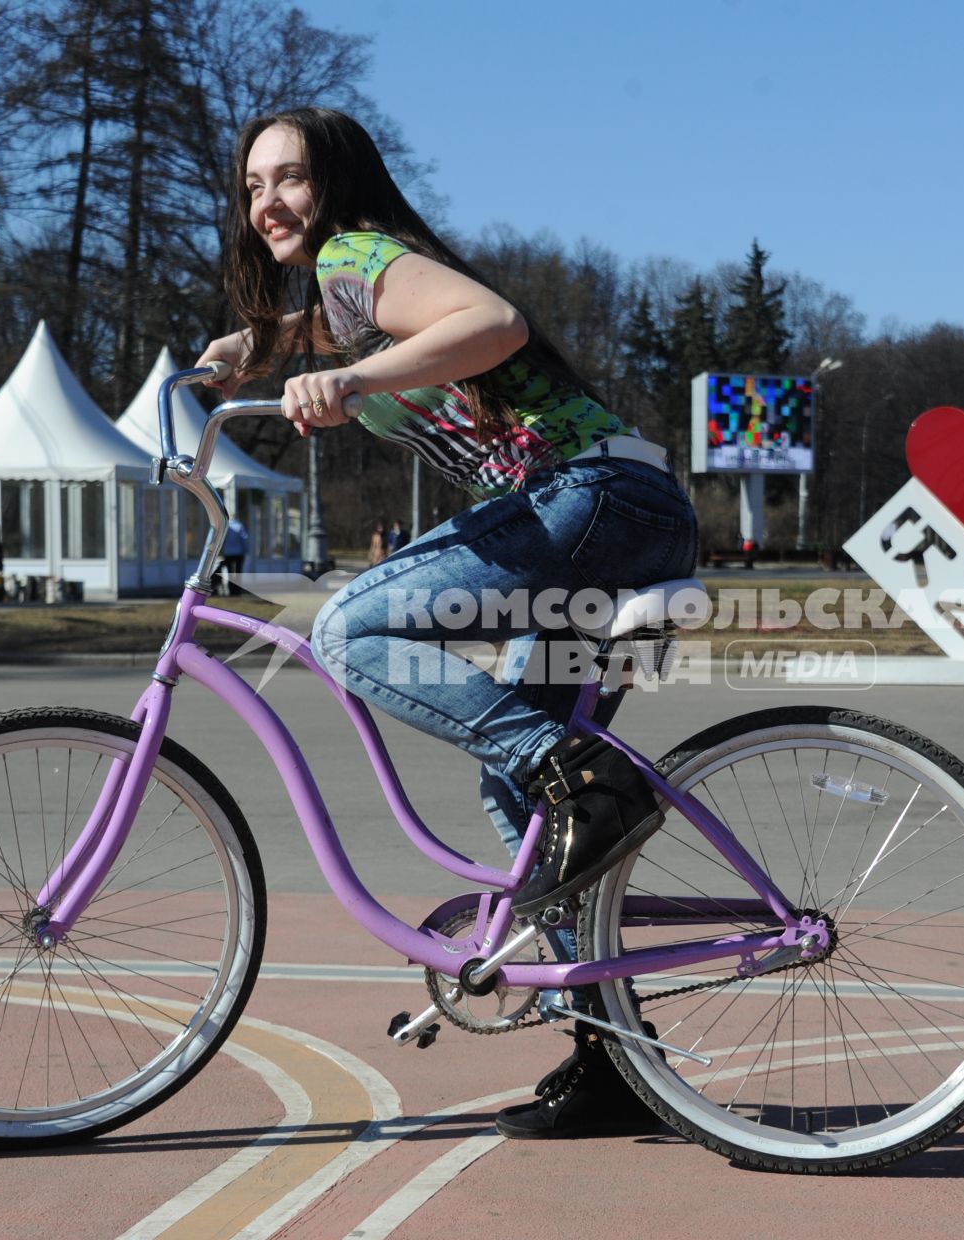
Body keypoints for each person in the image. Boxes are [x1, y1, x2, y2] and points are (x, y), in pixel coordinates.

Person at [199, 106, 697, 1141]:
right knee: (522, 786)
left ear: (336, 181)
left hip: (591, 497)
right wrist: (265, 346)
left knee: (348, 630)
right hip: (626, 511)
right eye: (253, 187)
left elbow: (494, 321)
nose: (269, 202)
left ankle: (591, 779)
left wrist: (349, 379)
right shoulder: (342, 295)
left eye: (289, 177)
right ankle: (613, 1051)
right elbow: (355, 327)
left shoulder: (358, 253)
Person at [221, 513, 249, 592]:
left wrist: (222, 550)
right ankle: (237, 590)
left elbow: (223, 539)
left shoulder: (226, 527)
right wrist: (246, 549)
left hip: (228, 553)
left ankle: (231, 589)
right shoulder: (240, 526)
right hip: (239, 553)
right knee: (238, 571)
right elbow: (244, 538)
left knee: (229, 571)